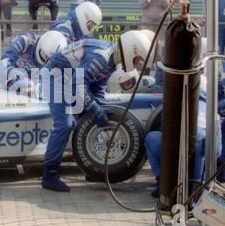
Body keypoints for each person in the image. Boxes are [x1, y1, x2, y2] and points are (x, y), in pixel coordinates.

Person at [40, 30, 154, 192]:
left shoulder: (112, 61)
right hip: (55, 76)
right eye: (137, 60)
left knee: (91, 118)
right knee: (64, 124)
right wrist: (95, 110)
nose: (136, 64)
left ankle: (91, 167)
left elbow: (97, 87)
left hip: (70, 78)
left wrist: (102, 110)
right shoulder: (101, 57)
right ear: (131, 49)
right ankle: (49, 175)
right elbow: (78, 85)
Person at [145, 82, 222, 198]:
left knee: (151, 138)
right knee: (204, 139)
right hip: (203, 158)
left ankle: (163, 181)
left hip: (178, 154)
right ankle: (199, 184)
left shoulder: (175, 105)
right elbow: (218, 151)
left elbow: (166, 133)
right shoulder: (214, 112)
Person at [0, 31, 66, 96]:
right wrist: (11, 71)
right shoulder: (25, 41)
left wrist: (38, 88)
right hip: (9, 81)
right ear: (40, 46)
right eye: (46, 56)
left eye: (50, 59)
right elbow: (4, 61)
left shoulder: (58, 61)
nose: (47, 61)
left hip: (31, 87)